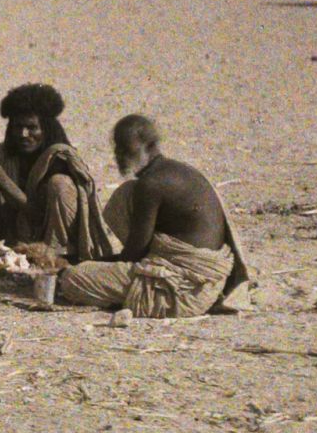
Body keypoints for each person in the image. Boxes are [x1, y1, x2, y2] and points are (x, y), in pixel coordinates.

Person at [56, 114, 250, 317]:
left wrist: (93, 265)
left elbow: (135, 253)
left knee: (72, 279)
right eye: (117, 147)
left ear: (149, 146)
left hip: (185, 290)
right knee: (125, 194)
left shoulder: (151, 183)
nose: (119, 155)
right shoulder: (174, 170)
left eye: (126, 148)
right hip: (206, 283)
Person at [0, 83, 112, 261]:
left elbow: (39, 216)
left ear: (46, 129)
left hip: (59, 251)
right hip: (21, 244)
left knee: (59, 184)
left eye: (32, 127)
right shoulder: (4, 156)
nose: (24, 134)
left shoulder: (60, 159)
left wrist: (7, 185)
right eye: (18, 127)